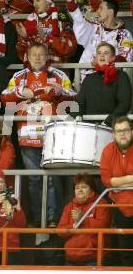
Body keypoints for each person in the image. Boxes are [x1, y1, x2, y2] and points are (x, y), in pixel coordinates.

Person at [1, 43, 76, 227]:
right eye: (33, 55)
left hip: (52, 134)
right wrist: (20, 92)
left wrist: (60, 92)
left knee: (52, 177)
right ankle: (35, 218)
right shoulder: (19, 77)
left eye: (41, 55)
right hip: (27, 133)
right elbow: (4, 95)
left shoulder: (58, 75)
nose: (37, 58)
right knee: (34, 178)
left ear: (47, 56)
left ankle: (52, 218)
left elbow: (74, 95)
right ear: (26, 57)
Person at [63, 0, 133, 78]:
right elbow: (77, 17)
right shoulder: (93, 28)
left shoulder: (124, 34)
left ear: (110, 12)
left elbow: (126, 58)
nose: (97, 11)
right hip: (86, 80)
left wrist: (103, 62)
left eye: (101, 8)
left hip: (111, 82)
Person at [16, 0, 77, 65]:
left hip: (57, 68)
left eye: (38, 0)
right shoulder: (30, 20)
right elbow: (21, 55)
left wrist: (48, 39)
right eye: (33, 1)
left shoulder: (61, 18)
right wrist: (25, 38)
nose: (34, 4)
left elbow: (70, 47)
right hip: (34, 68)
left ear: (48, 2)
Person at [58, 173, 112, 266]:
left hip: (93, 259)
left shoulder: (101, 203)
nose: (80, 190)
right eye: (77, 188)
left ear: (92, 190)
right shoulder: (69, 206)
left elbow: (103, 226)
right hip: (71, 258)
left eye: (84, 187)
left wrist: (82, 219)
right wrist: (74, 226)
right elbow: (60, 231)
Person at [100, 116, 133, 266]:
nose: (122, 134)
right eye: (119, 131)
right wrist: (130, 178)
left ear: (131, 131)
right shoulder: (107, 151)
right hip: (119, 204)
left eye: (126, 130)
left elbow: (113, 181)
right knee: (125, 247)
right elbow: (107, 181)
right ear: (113, 133)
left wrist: (119, 182)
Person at [77, 42, 132, 125]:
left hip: (112, 127)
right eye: (99, 53)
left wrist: (108, 122)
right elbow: (80, 103)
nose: (102, 55)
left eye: (106, 53)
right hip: (89, 127)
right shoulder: (89, 78)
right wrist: (78, 116)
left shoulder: (121, 76)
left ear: (113, 57)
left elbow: (124, 104)